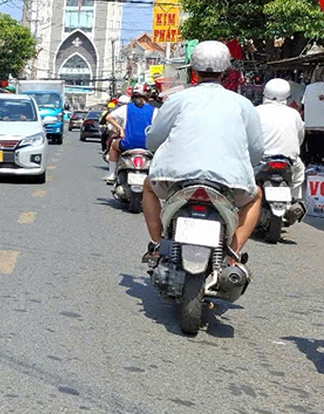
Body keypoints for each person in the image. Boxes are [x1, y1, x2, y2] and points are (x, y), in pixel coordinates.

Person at [141, 40, 264, 263]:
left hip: (176, 179)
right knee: (255, 196)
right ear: (227, 71)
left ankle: (159, 245)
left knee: (148, 186)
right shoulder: (243, 104)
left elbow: (153, 141)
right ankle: (232, 255)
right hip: (229, 182)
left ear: (193, 70)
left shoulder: (176, 100)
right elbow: (256, 151)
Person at [255, 78, 306, 200]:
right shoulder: (294, 114)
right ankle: (294, 200)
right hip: (288, 160)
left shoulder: (256, 111)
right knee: (299, 174)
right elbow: (300, 137)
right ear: (287, 96)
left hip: (261, 160)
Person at [104, 86, 156, 182]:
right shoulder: (155, 111)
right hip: (147, 145)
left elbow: (108, 117)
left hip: (128, 143)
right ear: (147, 96)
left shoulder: (126, 108)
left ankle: (111, 174)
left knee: (113, 146)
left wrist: (120, 129)